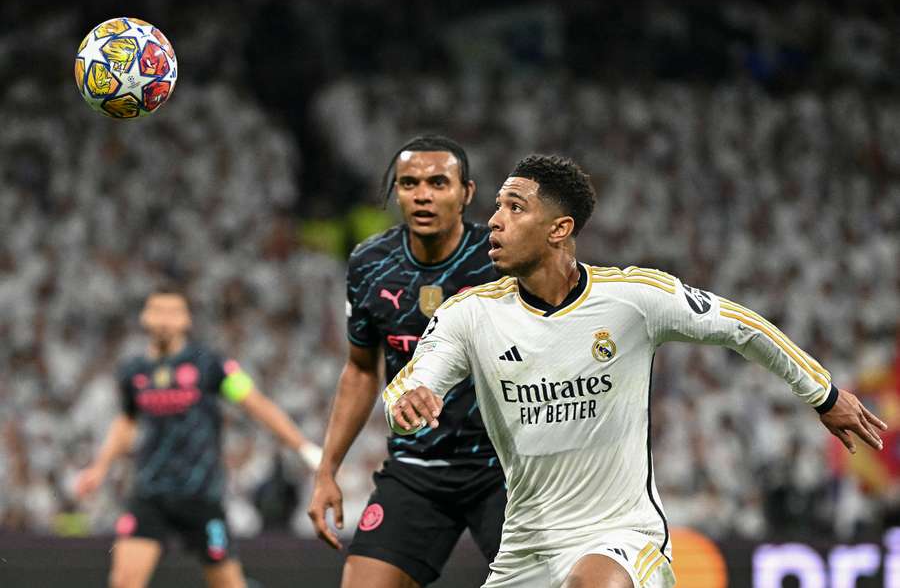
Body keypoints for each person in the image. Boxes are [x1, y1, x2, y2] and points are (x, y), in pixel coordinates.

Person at [383, 154, 888, 588]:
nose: (493, 220)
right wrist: (406, 403)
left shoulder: (632, 298)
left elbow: (739, 325)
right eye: (496, 206)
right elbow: (413, 382)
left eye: (514, 208)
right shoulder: (469, 314)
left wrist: (823, 394)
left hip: (621, 536)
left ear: (560, 229)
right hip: (526, 546)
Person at [307, 135, 506, 588]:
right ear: (396, 192)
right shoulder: (369, 263)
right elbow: (360, 371)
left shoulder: (500, 261)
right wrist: (327, 471)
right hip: (416, 468)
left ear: (467, 193)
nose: (423, 194)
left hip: (505, 469)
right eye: (409, 183)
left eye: (438, 182)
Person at [75, 286, 322, 588]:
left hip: (201, 495)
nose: (164, 320)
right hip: (150, 494)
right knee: (125, 581)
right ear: (145, 318)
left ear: (186, 320)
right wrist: (100, 468)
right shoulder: (133, 371)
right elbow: (127, 421)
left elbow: (254, 402)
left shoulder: (209, 365)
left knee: (227, 584)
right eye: (158, 312)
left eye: (173, 312)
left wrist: (303, 446)